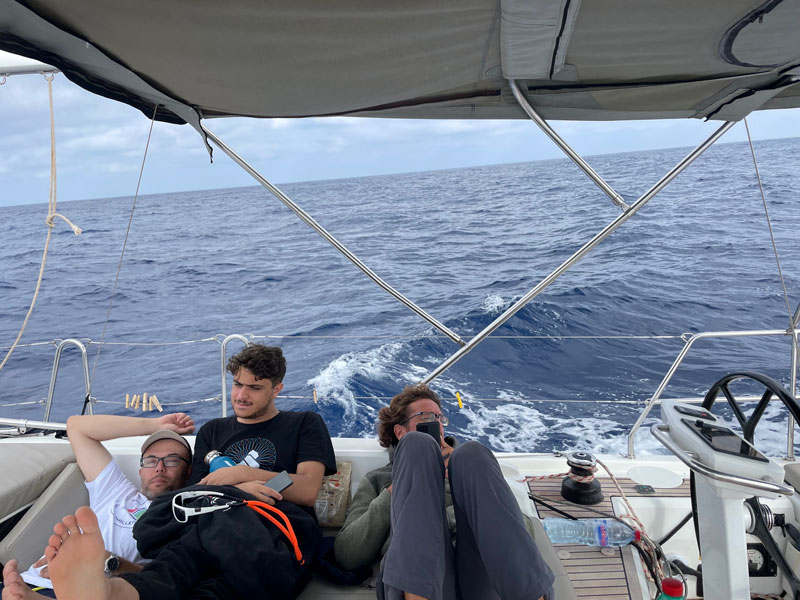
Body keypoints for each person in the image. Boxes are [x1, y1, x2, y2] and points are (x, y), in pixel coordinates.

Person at [0, 344, 337, 600]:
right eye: (236, 384)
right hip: (212, 517)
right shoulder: (214, 431)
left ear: (276, 389)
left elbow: (307, 489)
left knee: (241, 570)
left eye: (254, 387)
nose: (241, 395)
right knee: (174, 567)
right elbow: (192, 497)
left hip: (275, 523)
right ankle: (109, 593)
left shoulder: (303, 424)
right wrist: (233, 487)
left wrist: (239, 479)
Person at [334, 384, 555, 600]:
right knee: (416, 447)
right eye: (426, 417)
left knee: (472, 452)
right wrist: (396, 489)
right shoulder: (378, 479)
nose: (437, 424)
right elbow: (347, 554)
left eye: (440, 418)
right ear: (399, 431)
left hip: (483, 577)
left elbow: (521, 530)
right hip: (422, 582)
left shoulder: (470, 470)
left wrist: (457, 484)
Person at [1, 412, 194, 599]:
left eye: (172, 460)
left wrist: (110, 562)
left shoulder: (184, 518)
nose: (159, 467)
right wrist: (156, 425)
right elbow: (77, 427)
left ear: (188, 472)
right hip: (25, 582)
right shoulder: (116, 490)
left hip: (95, 592)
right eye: (151, 460)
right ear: (141, 470)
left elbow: (166, 581)